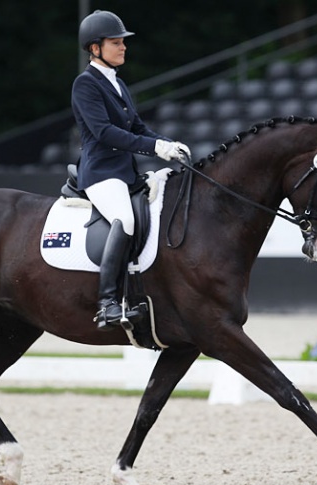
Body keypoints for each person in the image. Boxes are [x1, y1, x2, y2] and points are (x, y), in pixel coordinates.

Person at [72, 10, 190, 330]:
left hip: (125, 173)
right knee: (124, 219)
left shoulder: (118, 84)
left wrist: (169, 145)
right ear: (95, 48)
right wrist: (154, 148)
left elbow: (138, 127)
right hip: (100, 173)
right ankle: (107, 302)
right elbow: (104, 133)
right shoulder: (85, 85)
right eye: (116, 42)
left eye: (123, 42)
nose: (123, 47)